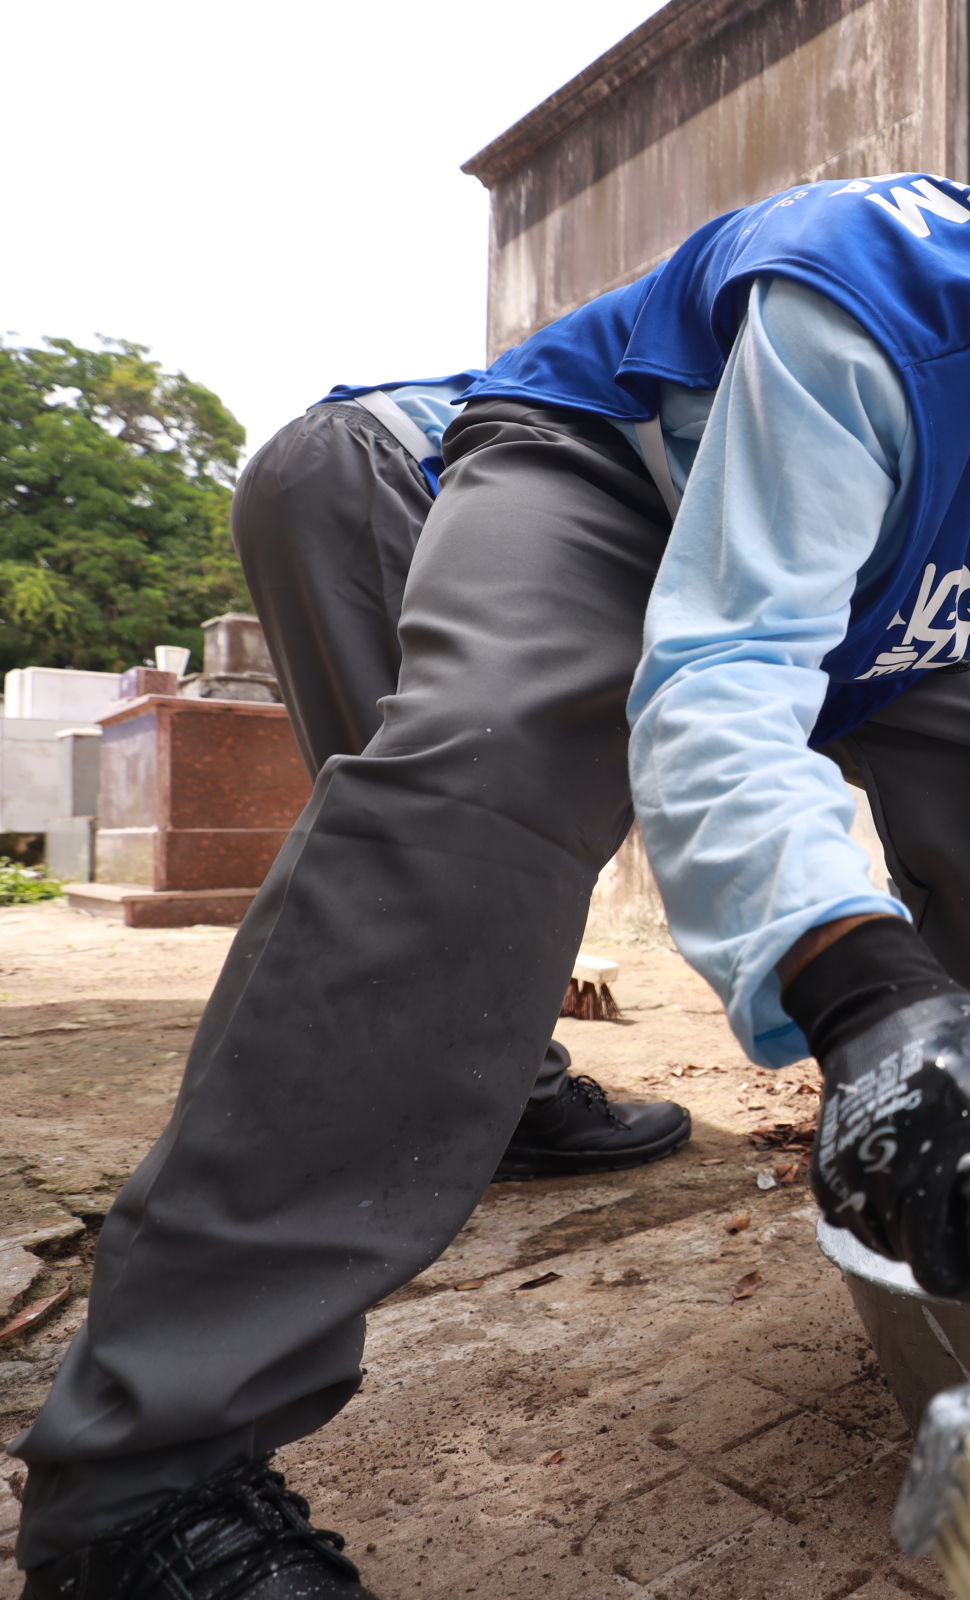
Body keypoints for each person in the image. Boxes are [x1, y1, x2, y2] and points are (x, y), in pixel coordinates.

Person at [8, 48, 970, 1598]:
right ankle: (144, 1473)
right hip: (617, 487)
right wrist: (854, 976)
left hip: (863, 605)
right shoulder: (871, 296)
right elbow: (722, 668)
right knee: (490, 775)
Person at [230, 373, 694, 1178]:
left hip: (321, 459)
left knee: (390, 820)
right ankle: (514, 1105)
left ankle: (370, 1084)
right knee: (458, 820)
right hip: (393, 473)